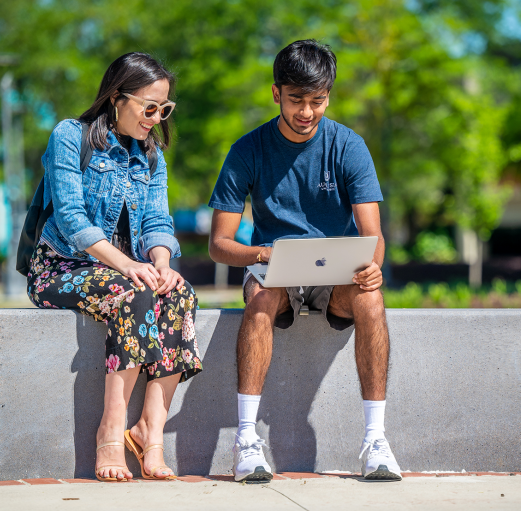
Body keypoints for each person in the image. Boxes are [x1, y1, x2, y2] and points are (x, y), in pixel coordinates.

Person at [208, 40, 401, 483]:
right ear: (276, 93)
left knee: (372, 299)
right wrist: (263, 254)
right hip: (272, 265)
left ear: (329, 95)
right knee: (260, 295)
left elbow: (372, 235)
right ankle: (246, 441)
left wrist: (373, 265)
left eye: (317, 100)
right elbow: (219, 244)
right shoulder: (248, 150)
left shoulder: (349, 145)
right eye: (296, 100)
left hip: (335, 276)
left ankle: (375, 441)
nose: (307, 111)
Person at [27, 52, 202, 482]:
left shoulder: (152, 153)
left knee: (179, 293)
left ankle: (149, 432)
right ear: (116, 98)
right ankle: (111, 429)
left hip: (123, 270)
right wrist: (129, 267)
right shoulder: (71, 136)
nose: (156, 118)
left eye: (164, 109)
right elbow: (71, 218)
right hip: (61, 266)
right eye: (149, 107)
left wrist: (161, 263)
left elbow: (159, 221)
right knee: (134, 290)